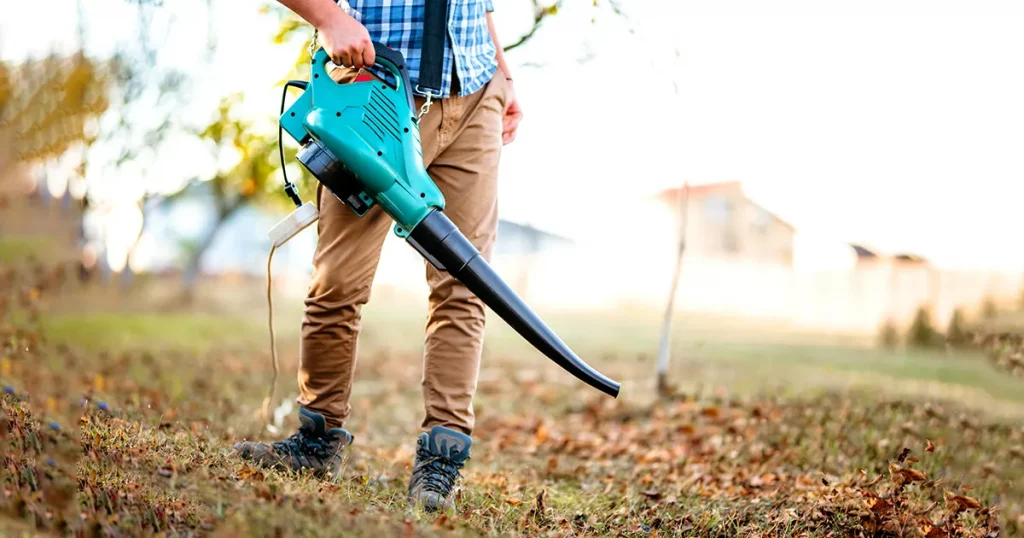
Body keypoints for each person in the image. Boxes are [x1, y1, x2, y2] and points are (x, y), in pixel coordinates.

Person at [232, 0, 522, 512]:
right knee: (338, 282)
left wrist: (502, 71)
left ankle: (441, 461)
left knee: (464, 284)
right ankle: (316, 441)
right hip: (376, 90)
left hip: (475, 95)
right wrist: (327, 17)